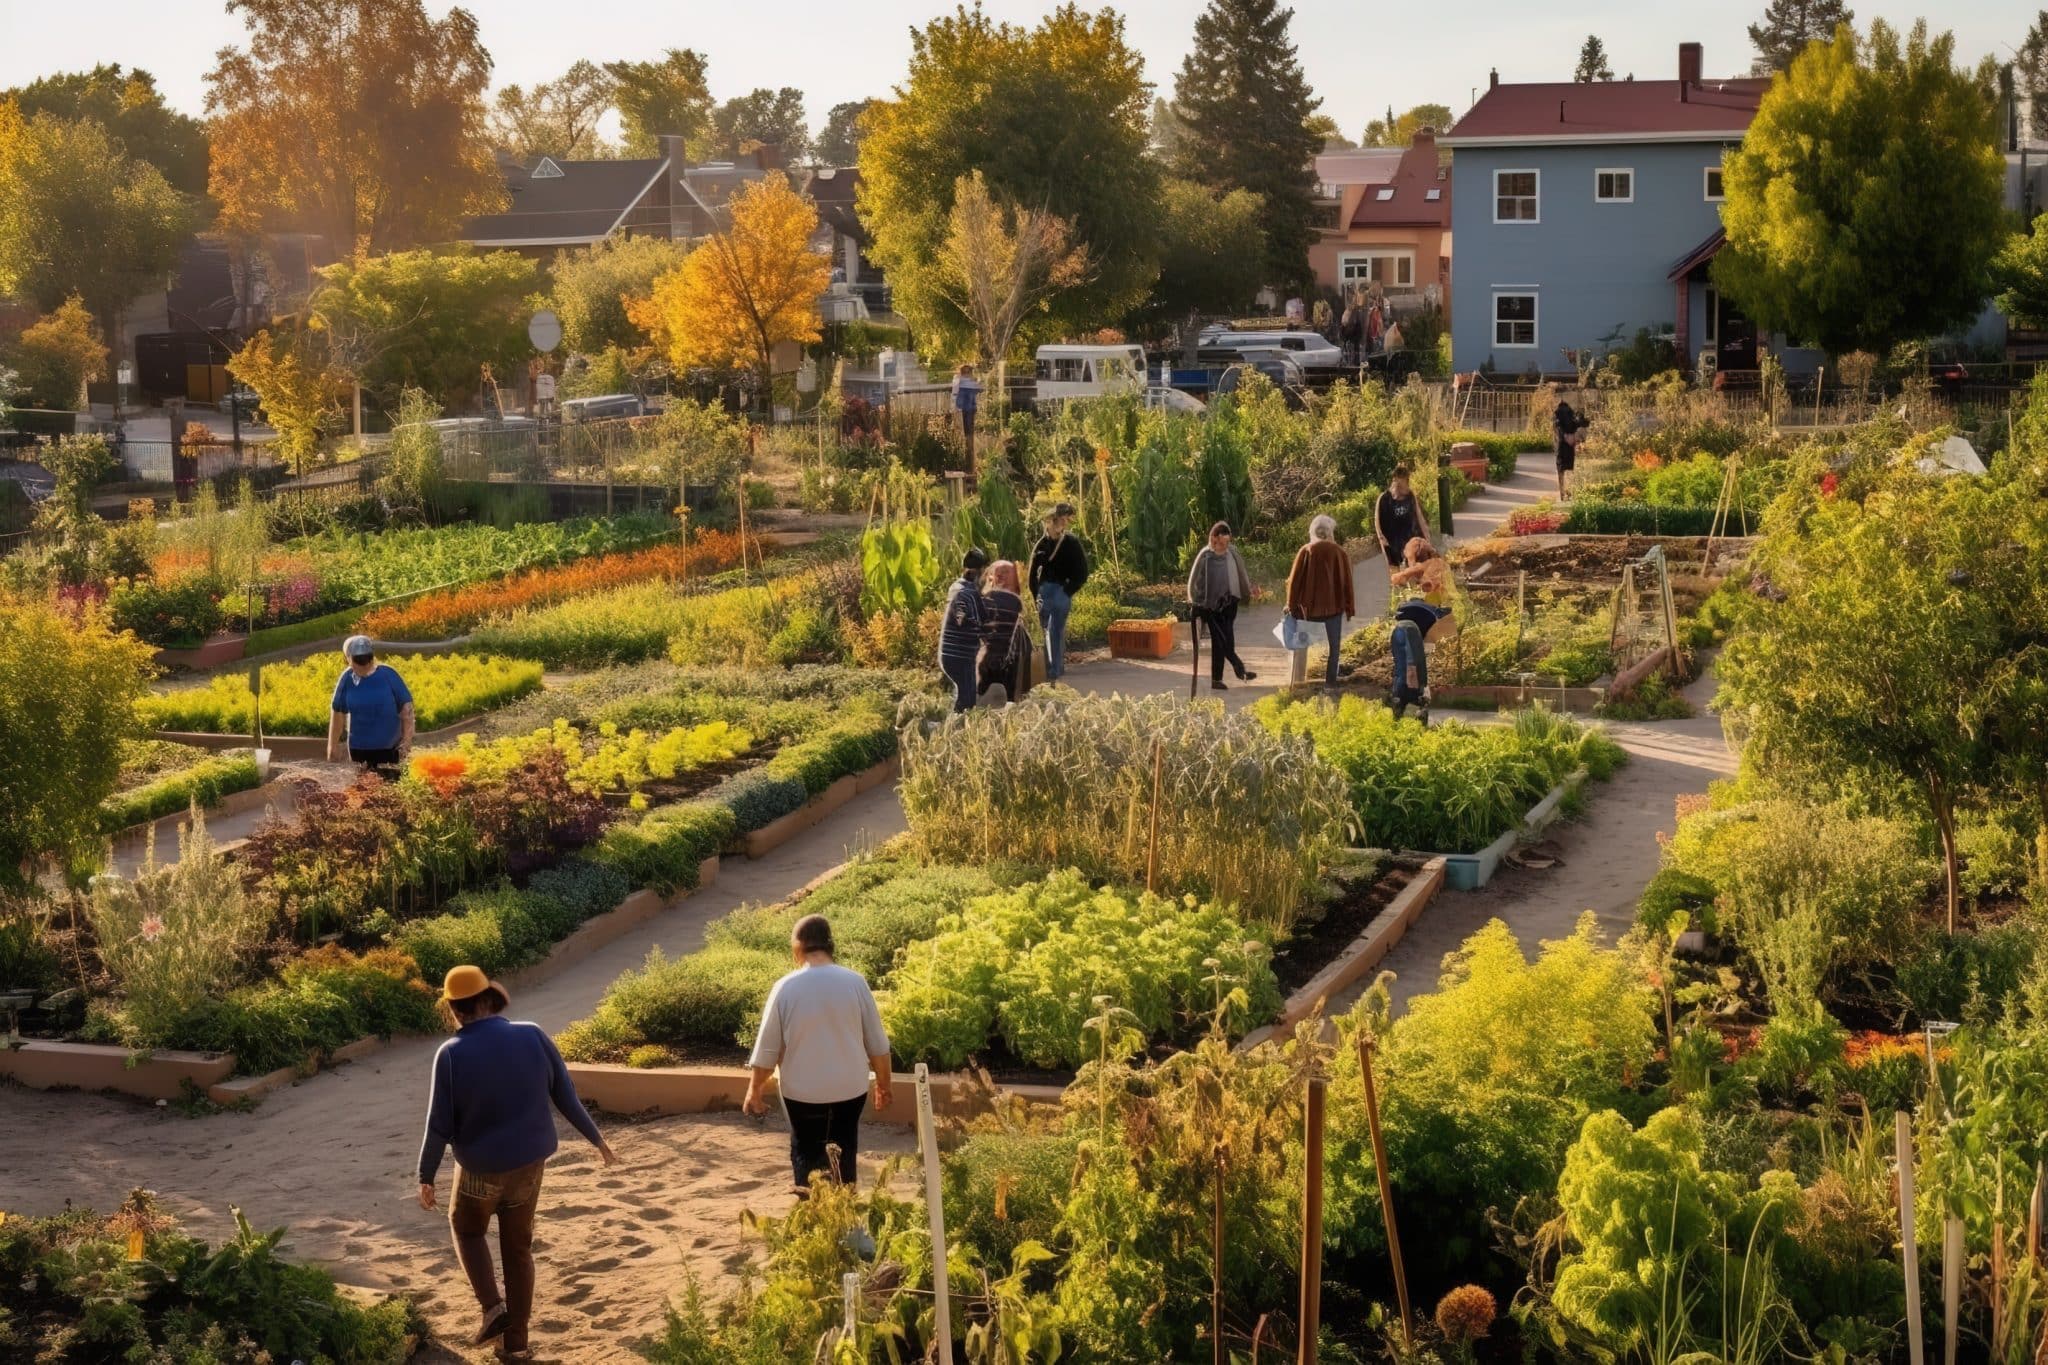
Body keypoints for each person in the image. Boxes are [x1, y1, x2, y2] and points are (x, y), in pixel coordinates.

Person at [417, 965, 616, 1359]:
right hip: (529, 1165)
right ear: (489, 997)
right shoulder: (532, 1035)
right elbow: (565, 1095)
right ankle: (517, 1347)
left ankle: (492, 1308)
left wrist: (426, 1174)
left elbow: (438, 1123)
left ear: (455, 1010)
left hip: (480, 1170)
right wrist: (598, 1140)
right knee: (518, 1247)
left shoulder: (451, 1055)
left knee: (468, 1229)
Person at [743, 914, 893, 1194]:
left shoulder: (785, 987)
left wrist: (755, 1090)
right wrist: (884, 1085)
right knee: (844, 1148)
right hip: (851, 1089)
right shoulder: (855, 983)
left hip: (802, 1093)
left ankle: (812, 1215)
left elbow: (767, 1050)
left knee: (807, 1152)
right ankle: (844, 1214)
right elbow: (878, 1045)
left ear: (797, 947)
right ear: (829, 944)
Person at [1387, 537, 1457, 724]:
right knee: (1416, 654)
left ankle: (1417, 693)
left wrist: (1405, 571)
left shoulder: (1433, 564)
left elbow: (1401, 577)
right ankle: (1417, 694)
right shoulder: (1438, 564)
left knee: (1415, 653)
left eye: (1408, 556)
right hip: (1443, 617)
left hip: (1443, 619)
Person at [1284, 514, 1356, 689]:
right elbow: (1347, 582)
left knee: (1302, 646)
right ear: (1330, 532)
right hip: (1334, 609)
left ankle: (1297, 682)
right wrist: (1349, 607)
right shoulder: (1339, 552)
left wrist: (1291, 606)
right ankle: (1330, 684)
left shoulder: (1306, 551)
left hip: (1310, 610)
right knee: (1334, 649)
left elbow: (1295, 582)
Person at [1186, 521, 1258, 691]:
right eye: (1222, 543)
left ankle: (1217, 680)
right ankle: (1240, 671)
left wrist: (1248, 589)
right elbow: (1193, 579)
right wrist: (1192, 599)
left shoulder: (1232, 553)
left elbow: (1242, 572)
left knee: (1226, 642)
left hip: (1230, 603)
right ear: (1214, 539)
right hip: (1210, 606)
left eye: (1227, 542)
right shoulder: (1205, 555)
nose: (1225, 546)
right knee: (1221, 641)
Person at [328, 635, 414, 776]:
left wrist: (406, 742)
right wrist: (333, 746)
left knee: (391, 788)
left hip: (390, 749)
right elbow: (337, 712)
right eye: (359, 660)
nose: (364, 664)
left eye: (367, 659)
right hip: (359, 750)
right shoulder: (346, 679)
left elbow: (407, 710)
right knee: (365, 789)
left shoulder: (389, 675)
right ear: (348, 659)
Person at [1028, 503, 1089, 683]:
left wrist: (1068, 591)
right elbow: (1032, 573)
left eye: (1060, 521)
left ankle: (1055, 668)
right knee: (1043, 630)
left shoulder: (1071, 543)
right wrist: (1035, 593)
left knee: (1055, 630)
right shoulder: (1041, 544)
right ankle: (1049, 666)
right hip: (1044, 592)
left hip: (1061, 591)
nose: (1055, 525)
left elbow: (1082, 572)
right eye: (1053, 521)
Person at [939, 547, 991, 713]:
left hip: (952, 655)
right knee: (967, 701)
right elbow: (973, 620)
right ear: (978, 572)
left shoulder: (958, 587)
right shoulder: (967, 593)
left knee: (965, 697)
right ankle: (953, 732)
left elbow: (976, 618)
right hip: (959, 656)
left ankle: (953, 728)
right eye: (984, 572)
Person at [978, 559, 1027, 702]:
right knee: (1009, 699)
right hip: (1009, 663)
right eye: (998, 573)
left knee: (981, 702)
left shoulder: (986, 600)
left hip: (989, 662)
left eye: (1004, 572)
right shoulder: (1016, 603)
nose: (1000, 575)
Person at [1373, 464, 1432, 572]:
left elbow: (1419, 517)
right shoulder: (1384, 499)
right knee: (1398, 574)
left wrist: (1427, 537)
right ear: (1394, 481)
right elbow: (1377, 522)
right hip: (1393, 542)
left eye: (1404, 482)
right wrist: (1383, 540)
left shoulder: (1410, 496)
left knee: (1417, 570)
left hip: (1411, 540)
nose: (1402, 487)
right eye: (1399, 484)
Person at [1552, 390, 1589, 502]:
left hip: (1562, 444)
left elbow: (1558, 428)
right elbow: (1582, 423)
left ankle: (1563, 493)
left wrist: (1565, 436)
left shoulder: (1557, 413)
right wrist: (1573, 436)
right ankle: (1568, 492)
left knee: (1561, 469)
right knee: (1570, 468)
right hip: (1570, 444)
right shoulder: (1571, 413)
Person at [951, 363, 982, 468]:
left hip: (965, 408)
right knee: (968, 432)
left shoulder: (961, 381)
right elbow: (978, 388)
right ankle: (969, 457)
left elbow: (955, 391)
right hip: (966, 408)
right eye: (966, 372)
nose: (967, 374)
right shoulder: (969, 382)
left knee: (968, 432)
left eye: (968, 372)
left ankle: (969, 456)